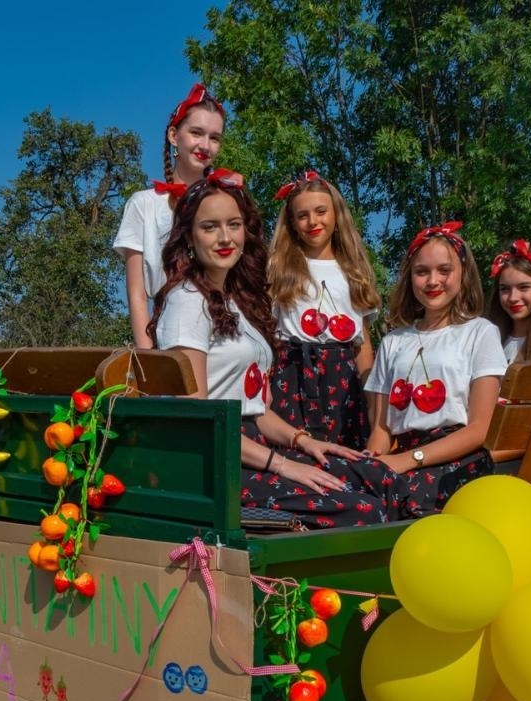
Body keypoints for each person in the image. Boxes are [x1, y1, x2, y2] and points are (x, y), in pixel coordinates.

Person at [149, 169, 394, 528]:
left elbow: (255, 409)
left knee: (376, 477)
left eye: (233, 225)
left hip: (253, 443)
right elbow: (199, 421)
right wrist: (283, 464)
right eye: (209, 227)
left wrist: (303, 440)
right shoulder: (187, 302)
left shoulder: (234, 301)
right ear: (188, 235)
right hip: (217, 464)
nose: (224, 238)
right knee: (363, 510)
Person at [364, 222, 506, 516]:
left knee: (396, 503)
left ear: (463, 275)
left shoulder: (480, 333)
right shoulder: (393, 341)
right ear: (410, 278)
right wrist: (373, 462)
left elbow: (479, 428)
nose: (432, 280)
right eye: (422, 272)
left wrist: (409, 459)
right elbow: (382, 428)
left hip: (457, 457)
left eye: (444, 270)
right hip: (402, 453)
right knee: (353, 490)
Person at [267, 170, 382, 449]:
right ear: (292, 223)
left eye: (321, 211)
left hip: (343, 376)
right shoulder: (278, 267)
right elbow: (270, 334)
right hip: (292, 372)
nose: (312, 221)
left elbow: (362, 341)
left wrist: (369, 394)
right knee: (296, 452)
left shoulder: (353, 269)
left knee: (346, 450)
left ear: (336, 214)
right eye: (302, 215)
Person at [114, 84, 226, 350]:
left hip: (225, 330)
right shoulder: (144, 204)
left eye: (214, 137)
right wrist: (148, 357)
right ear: (174, 136)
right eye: (196, 133)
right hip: (169, 333)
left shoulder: (227, 203)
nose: (205, 145)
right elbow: (138, 293)